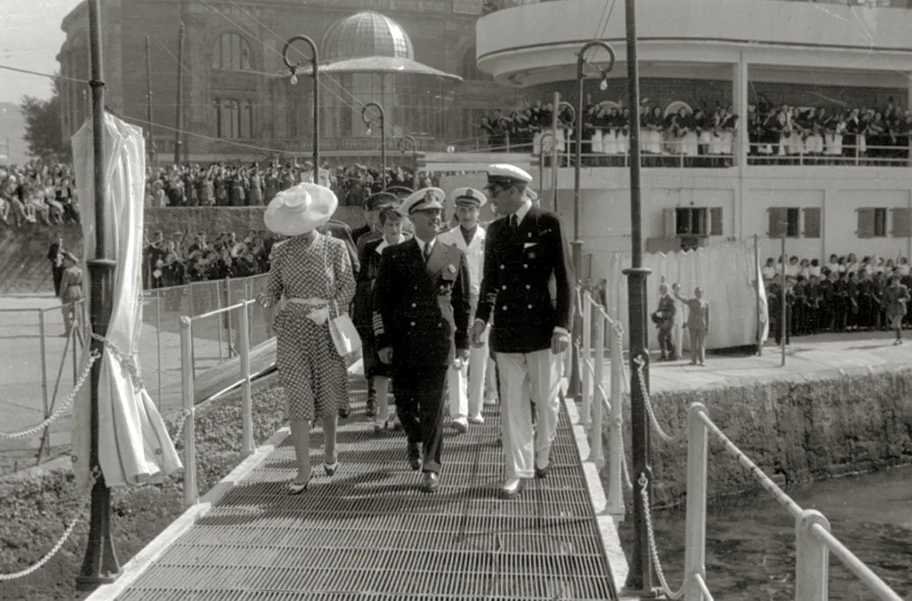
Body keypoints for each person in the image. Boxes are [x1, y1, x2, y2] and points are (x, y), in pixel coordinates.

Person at [470, 164, 574, 499]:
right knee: (512, 405)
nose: (492, 200)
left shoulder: (548, 223)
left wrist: (563, 326)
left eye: (496, 193)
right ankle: (516, 470)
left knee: (546, 402)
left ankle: (542, 452)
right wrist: (481, 318)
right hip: (508, 330)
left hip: (543, 329)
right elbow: (490, 280)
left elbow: (566, 277)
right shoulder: (496, 230)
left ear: (515, 191)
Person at [258, 182, 356, 494]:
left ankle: (330, 449)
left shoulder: (335, 248)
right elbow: (272, 289)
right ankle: (303, 468)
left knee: (327, 399)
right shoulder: (280, 252)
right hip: (292, 331)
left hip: (326, 329)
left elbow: (348, 285)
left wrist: (331, 310)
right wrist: (266, 304)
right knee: (299, 397)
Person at [373, 187, 472, 494]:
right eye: (428, 213)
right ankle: (413, 437)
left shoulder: (453, 254)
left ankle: (431, 467)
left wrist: (463, 343)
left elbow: (463, 304)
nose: (435, 218)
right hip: (403, 342)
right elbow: (380, 303)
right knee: (405, 406)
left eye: (437, 213)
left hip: (437, 342)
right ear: (412, 218)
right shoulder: (393, 256)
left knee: (433, 406)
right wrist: (383, 341)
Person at [437, 187, 489, 432]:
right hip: (455, 303)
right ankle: (459, 413)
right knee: (457, 355)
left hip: (481, 303)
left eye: (471, 210)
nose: (467, 215)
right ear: (456, 211)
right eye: (462, 209)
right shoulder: (445, 239)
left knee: (479, 356)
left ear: (478, 212)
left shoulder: (488, 238)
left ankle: (475, 408)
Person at [357, 205, 407, 431]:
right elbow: (362, 280)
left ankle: (400, 411)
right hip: (379, 312)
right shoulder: (371, 248)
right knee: (379, 364)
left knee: (402, 365)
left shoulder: (411, 245)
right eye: (389, 225)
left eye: (397, 224)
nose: (394, 229)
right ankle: (383, 411)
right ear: (381, 226)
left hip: (405, 314)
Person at [672, 283, 710, 366]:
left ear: (702, 293)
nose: (698, 294)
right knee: (693, 342)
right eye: (697, 292)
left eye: (700, 292)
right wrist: (677, 293)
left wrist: (707, 327)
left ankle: (702, 360)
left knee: (701, 343)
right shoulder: (691, 301)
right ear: (694, 293)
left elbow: (707, 316)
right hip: (692, 324)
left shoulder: (706, 303)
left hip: (701, 325)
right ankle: (693, 360)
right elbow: (682, 299)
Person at [58, 252, 83, 337]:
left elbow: (64, 284)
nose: (64, 262)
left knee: (65, 313)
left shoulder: (67, 271)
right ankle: (78, 331)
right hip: (78, 292)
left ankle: (68, 331)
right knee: (77, 313)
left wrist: (61, 295)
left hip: (69, 293)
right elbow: (82, 283)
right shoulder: (80, 271)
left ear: (71, 261)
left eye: (66, 260)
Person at [882, 274, 910, 345]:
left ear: (899, 281)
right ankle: (900, 339)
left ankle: (898, 339)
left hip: (900, 308)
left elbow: (907, 297)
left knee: (896, 324)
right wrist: (883, 304)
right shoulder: (888, 288)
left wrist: (902, 299)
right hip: (891, 308)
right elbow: (885, 297)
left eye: (896, 280)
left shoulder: (903, 287)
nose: (894, 282)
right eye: (893, 280)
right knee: (896, 325)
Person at [653, 282, 677, 361]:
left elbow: (673, 312)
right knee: (668, 338)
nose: (660, 290)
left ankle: (664, 355)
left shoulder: (670, 299)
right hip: (663, 321)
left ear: (666, 289)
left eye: (661, 288)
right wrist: (655, 313)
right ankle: (672, 355)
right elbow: (660, 309)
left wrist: (662, 314)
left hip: (668, 321)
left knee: (661, 337)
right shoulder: (662, 298)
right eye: (660, 288)